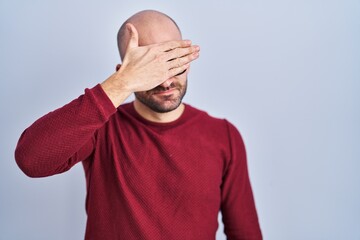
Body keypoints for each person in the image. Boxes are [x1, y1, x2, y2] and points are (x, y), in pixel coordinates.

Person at [15, 10, 262, 240]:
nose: (166, 81)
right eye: (151, 68)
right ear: (124, 72)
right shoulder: (101, 128)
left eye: (173, 62)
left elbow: (245, 232)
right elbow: (31, 159)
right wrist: (120, 84)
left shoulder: (223, 135)